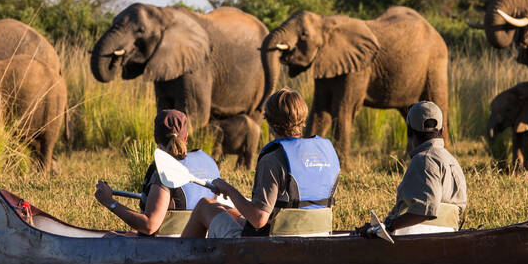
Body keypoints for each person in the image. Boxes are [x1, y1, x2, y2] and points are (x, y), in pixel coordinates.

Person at [182, 89, 340, 238]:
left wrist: (229, 190)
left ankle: (182, 260)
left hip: (271, 246)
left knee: (205, 205)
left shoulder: (272, 159)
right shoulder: (326, 153)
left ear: (269, 122)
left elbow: (259, 219)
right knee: (229, 210)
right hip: (320, 235)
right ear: (303, 119)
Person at [93, 109, 221, 237]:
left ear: (155, 137)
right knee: (130, 234)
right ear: (186, 136)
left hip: (168, 248)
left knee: (109, 237)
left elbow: (149, 226)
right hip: (201, 243)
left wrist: (109, 202)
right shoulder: (208, 162)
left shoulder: (164, 170)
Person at [355, 101, 466, 236]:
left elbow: (425, 210)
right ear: (442, 131)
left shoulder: (423, 159)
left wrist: (388, 226)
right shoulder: (452, 161)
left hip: (414, 239)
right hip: (449, 234)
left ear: (409, 132)